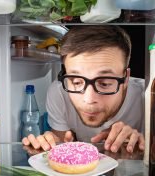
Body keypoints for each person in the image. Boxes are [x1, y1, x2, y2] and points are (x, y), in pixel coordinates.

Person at [22, 25, 145, 153]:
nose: (89, 99)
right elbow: (61, 146)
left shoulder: (148, 97)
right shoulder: (59, 92)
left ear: (126, 78)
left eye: (105, 83)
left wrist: (145, 147)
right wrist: (48, 147)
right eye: (77, 82)